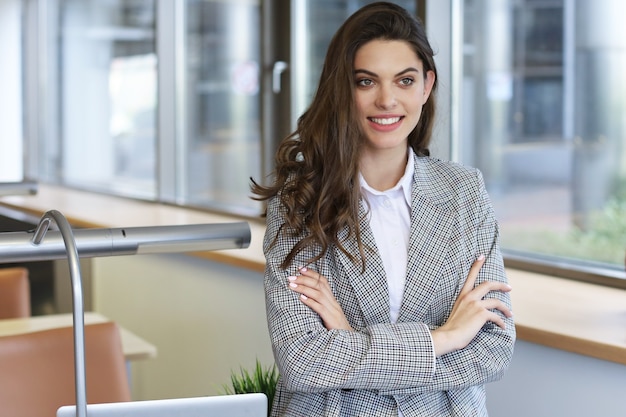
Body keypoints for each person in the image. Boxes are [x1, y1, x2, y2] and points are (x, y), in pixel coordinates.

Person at [250, 2, 515, 416]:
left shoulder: (465, 192)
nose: (387, 99)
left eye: (405, 80)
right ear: (343, 89)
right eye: (365, 81)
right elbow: (302, 360)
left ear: (426, 87)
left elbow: (491, 350)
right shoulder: (299, 199)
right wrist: (443, 338)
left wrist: (351, 338)